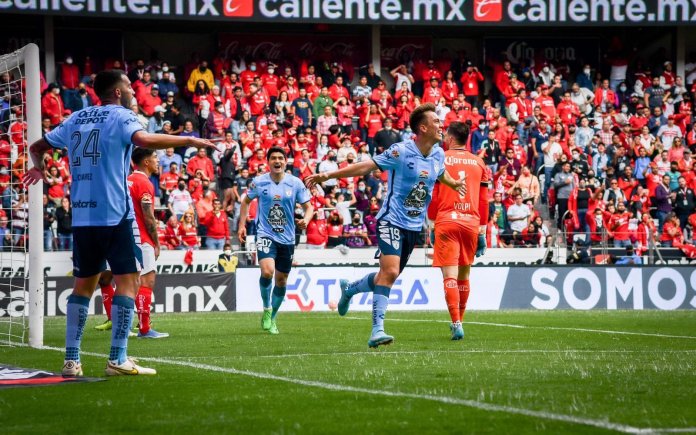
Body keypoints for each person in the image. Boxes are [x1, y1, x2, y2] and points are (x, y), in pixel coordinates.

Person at [23, 70, 213, 377]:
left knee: (83, 286)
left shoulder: (76, 118)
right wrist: (189, 138)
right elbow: (144, 139)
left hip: (83, 217)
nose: (135, 95)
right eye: (131, 89)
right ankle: (117, 358)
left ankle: (72, 361)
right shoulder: (122, 116)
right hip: (114, 213)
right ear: (118, 93)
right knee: (129, 282)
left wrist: (39, 169)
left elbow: (36, 147)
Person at [305, 103, 466, 348]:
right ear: (422, 127)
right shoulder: (400, 151)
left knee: (385, 276)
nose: (441, 125)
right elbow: (367, 166)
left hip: (413, 227)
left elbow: (440, 173)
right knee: (390, 273)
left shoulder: (438, 153)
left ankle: (349, 289)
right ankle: (376, 331)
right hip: (391, 220)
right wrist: (328, 175)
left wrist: (454, 184)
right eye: (435, 121)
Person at [238, 147, 313, 335]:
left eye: (280, 158)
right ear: (268, 162)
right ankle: (266, 308)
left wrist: (306, 219)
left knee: (281, 280)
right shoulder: (259, 182)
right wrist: (241, 225)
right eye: (273, 158)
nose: (277, 161)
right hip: (265, 234)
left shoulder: (295, 183)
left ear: (285, 162)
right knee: (267, 271)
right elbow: (246, 202)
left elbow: (309, 207)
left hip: (287, 239)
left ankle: (272, 318)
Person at [427, 122, 489, 340]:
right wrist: (482, 230)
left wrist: (432, 223)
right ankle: (459, 321)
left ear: (451, 138)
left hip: (447, 220)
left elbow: (434, 194)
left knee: (449, 275)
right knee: (464, 274)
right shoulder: (479, 162)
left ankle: (456, 322)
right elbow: (484, 200)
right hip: (471, 223)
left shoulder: (440, 158)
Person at [127, 147, 169, 338]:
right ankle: (144, 328)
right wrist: (156, 242)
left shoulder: (126, 180)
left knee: (128, 282)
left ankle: (125, 324)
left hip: (125, 236)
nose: (157, 161)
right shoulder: (144, 183)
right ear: (145, 162)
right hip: (141, 238)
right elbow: (149, 217)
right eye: (154, 157)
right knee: (147, 280)